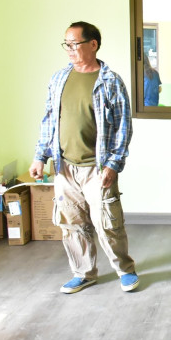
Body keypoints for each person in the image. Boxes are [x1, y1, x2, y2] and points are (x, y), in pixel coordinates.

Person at [29, 21, 139, 294]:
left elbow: (123, 127)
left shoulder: (110, 81)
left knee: (108, 224)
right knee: (72, 224)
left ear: (93, 44)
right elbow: (49, 120)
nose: (69, 49)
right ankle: (84, 273)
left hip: (97, 168)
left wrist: (113, 165)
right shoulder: (59, 78)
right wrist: (40, 156)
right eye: (66, 44)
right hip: (64, 167)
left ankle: (125, 270)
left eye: (74, 44)